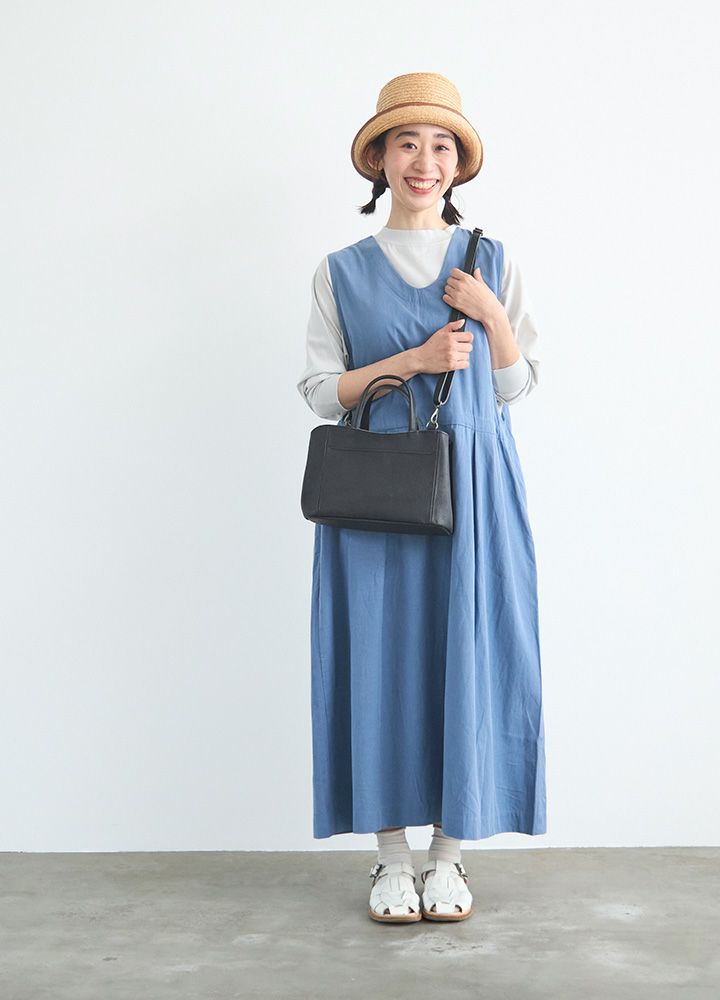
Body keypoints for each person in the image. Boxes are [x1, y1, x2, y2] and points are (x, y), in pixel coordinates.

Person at [296, 72, 546, 923]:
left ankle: (449, 857)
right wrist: (414, 360)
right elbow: (320, 391)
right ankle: (391, 860)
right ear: (379, 158)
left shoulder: (493, 262)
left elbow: (514, 387)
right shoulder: (339, 272)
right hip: (376, 488)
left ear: (459, 164)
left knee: (466, 652)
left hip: (475, 486)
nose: (424, 160)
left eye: (441, 145)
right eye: (407, 142)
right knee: (378, 655)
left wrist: (491, 316)